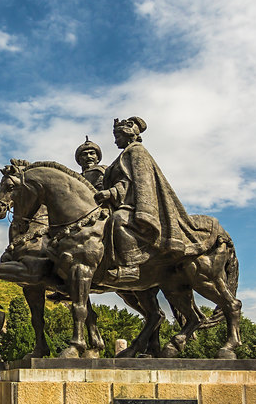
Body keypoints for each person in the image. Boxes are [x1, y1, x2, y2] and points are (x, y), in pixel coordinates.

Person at [94, 117, 221, 284]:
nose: (116, 140)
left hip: (131, 203)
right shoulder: (123, 155)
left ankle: (130, 266)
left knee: (119, 220)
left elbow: (137, 181)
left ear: (128, 133)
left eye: (118, 136)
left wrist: (111, 193)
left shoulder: (136, 151)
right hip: (121, 202)